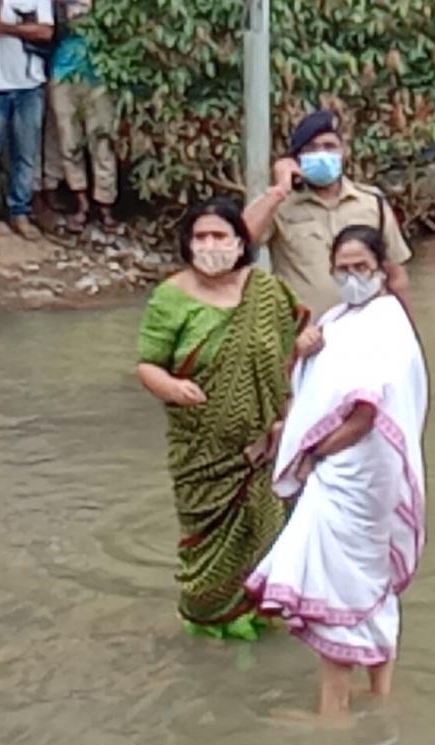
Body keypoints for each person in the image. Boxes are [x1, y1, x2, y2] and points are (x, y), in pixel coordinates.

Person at [246, 224, 429, 722]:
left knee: (334, 581)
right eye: (342, 269)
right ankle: (381, 702)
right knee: (372, 581)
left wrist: (311, 455)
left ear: (383, 271)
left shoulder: (386, 325)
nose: (351, 277)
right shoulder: (340, 320)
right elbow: (311, 393)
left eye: (361, 268)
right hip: (356, 473)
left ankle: (333, 716)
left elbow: (365, 412)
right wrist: (301, 352)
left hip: (358, 475)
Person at [136, 197, 318, 641]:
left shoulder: (266, 292)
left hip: (266, 442)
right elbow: (147, 364)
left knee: (272, 530)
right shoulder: (170, 298)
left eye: (220, 236)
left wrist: (305, 348)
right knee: (206, 544)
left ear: (241, 243)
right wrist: (172, 388)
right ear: (187, 244)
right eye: (201, 237)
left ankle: (260, 610)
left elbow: (290, 343)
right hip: (202, 449)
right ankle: (208, 615)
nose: (210, 245)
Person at [243, 110, 412, 320]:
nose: (321, 154)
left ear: (344, 151)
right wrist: (279, 190)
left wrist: (408, 333)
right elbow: (240, 241)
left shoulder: (372, 201)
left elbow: (395, 274)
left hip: (365, 331)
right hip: (302, 335)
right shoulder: (279, 205)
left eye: (329, 146)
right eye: (311, 149)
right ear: (297, 158)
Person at [0, 0, 53, 249]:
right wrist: (18, 27)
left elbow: (46, 32)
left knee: (26, 154)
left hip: (29, 85)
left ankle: (20, 211)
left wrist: (8, 29)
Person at [44, 0, 117, 232]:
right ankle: (81, 202)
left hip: (100, 74)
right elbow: (48, 29)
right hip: (63, 71)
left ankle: (105, 204)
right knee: (69, 140)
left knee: (102, 141)